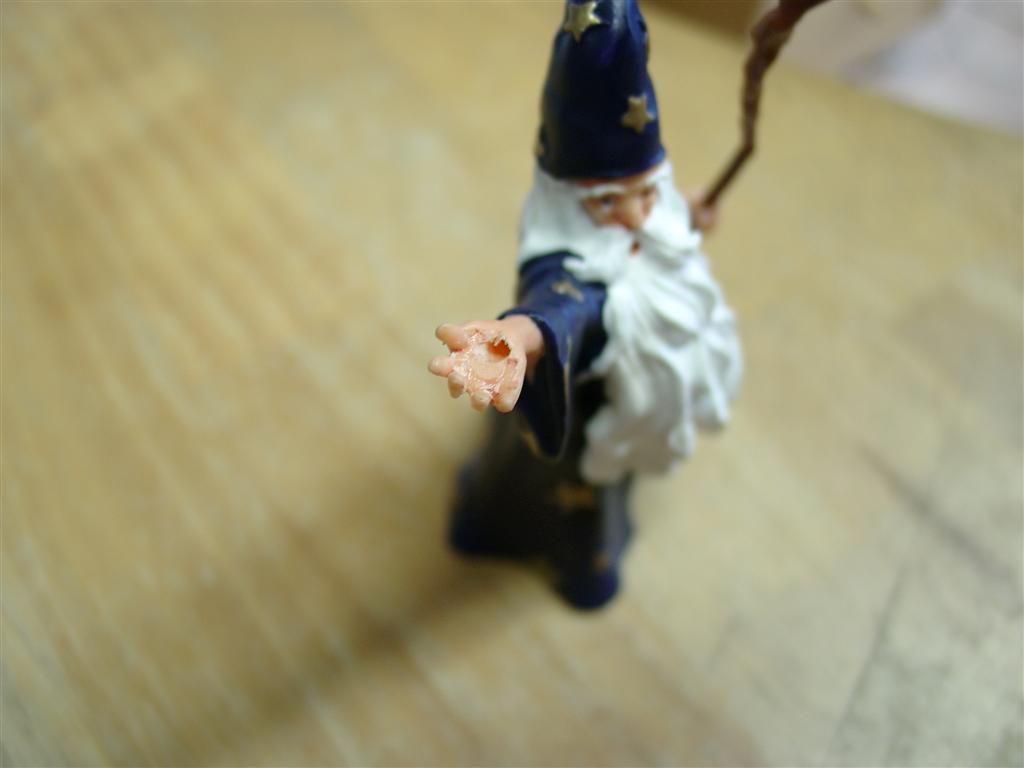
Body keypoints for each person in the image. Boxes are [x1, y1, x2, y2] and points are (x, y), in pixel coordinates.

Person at [428, 0, 742, 609]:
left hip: (628, 414)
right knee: (554, 499)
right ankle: (548, 551)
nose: (634, 217)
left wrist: (686, 213)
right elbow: (561, 308)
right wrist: (517, 341)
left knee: (604, 483)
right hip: (578, 421)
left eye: (645, 194)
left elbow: (663, 232)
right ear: (570, 203)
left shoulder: (651, 220)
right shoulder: (573, 266)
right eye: (606, 203)